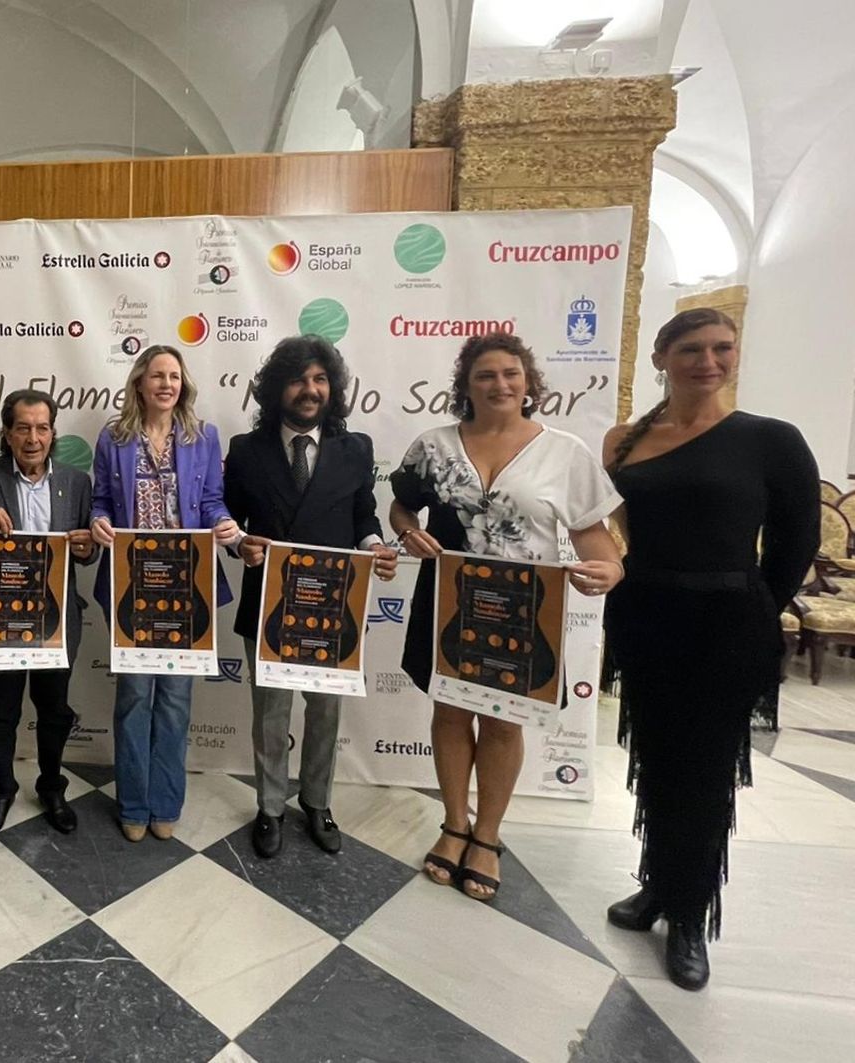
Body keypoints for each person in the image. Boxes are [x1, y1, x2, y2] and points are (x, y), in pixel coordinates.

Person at [601, 308, 818, 990]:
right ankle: (659, 882)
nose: (709, 360)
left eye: (722, 347)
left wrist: (755, 605)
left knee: (707, 768)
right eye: (692, 348)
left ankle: (693, 913)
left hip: (728, 619)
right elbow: (611, 530)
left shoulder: (771, 439)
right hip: (645, 613)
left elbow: (797, 542)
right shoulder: (623, 440)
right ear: (662, 355)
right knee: (656, 756)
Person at [388, 332, 623, 902]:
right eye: (486, 375)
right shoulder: (433, 446)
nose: (500, 384)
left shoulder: (564, 453)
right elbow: (401, 507)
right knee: (449, 714)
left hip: (524, 610)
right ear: (466, 386)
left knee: (501, 721)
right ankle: (454, 825)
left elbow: (597, 537)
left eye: (511, 374)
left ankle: (487, 835)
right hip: (448, 602)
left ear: (529, 382)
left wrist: (612, 570)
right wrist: (405, 531)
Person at [224, 336, 398, 859]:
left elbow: (364, 516)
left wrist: (373, 545)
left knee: (325, 714)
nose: (310, 389)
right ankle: (271, 807)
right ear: (278, 388)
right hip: (270, 605)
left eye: (320, 380)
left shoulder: (355, 448)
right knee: (271, 715)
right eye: (299, 379)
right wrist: (242, 546)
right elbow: (229, 522)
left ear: (333, 389)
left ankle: (318, 803)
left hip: (333, 607)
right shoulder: (245, 450)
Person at [90, 344, 240, 842]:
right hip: (132, 584)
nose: (167, 384)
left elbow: (214, 500)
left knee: (175, 698)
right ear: (140, 382)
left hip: (186, 584)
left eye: (174, 375)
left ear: (183, 384)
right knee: (135, 697)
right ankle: (133, 803)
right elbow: (101, 501)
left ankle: (166, 801)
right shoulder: (114, 436)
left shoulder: (203, 436)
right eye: (157, 375)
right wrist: (99, 522)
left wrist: (224, 524)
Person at [0, 389, 97, 835]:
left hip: (57, 622)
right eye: (23, 428)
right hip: (0, 620)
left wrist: (86, 547)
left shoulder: (77, 482)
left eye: (42, 428)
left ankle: (51, 787)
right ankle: (2, 790)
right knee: (2, 710)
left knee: (54, 708)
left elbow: (86, 556)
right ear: (7, 432)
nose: (33, 438)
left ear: (53, 432)